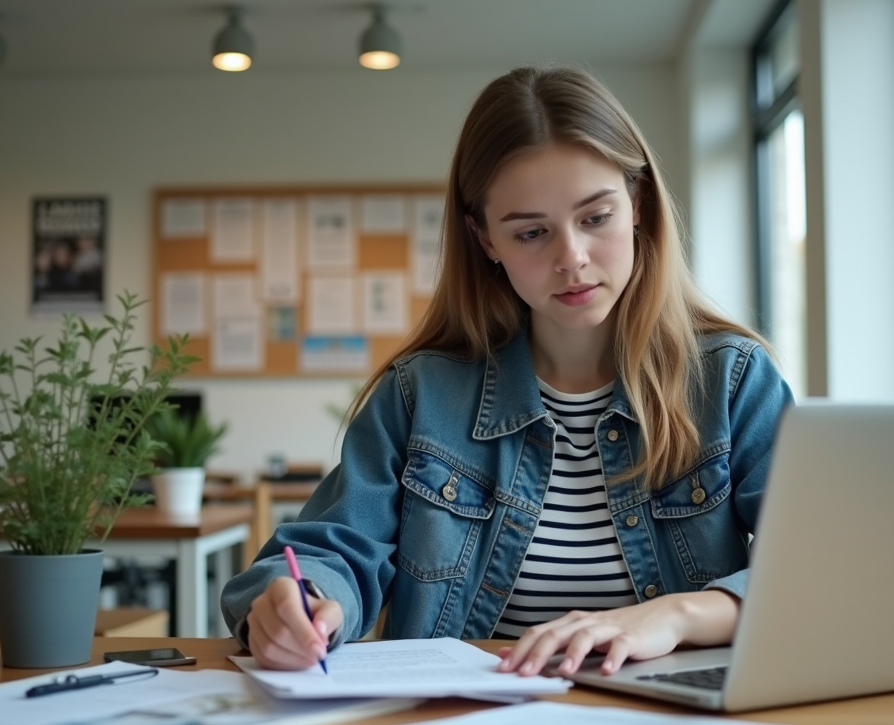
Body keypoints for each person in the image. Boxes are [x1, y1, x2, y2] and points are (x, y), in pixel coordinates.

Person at [221, 65, 794, 678]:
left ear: (638, 204)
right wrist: (294, 604)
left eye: (596, 217)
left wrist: (676, 615)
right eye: (530, 233)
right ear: (486, 239)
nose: (570, 258)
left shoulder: (732, 381)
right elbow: (329, 551)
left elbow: (819, 568)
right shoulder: (422, 395)